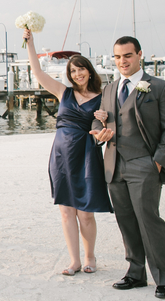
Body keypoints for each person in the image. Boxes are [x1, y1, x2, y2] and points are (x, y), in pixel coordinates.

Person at [90, 36, 165, 299]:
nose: (122, 62)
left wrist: (158, 162)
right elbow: (100, 121)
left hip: (145, 164)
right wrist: (99, 133)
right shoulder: (109, 89)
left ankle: (164, 279)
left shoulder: (160, 87)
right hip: (114, 166)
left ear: (139, 54)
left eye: (127, 56)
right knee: (126, 221)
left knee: (149, 221)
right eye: (117, 57)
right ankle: (136, 272)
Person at [24, 29, 112, 275]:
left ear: (89, 70)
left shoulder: (103, 97)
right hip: (61, 157)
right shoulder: (64, 93)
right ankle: (74, 261)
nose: (77, 74)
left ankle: (90, 257)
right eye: (73, 71)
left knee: (85, 214)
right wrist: (31, 43)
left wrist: (104, 120)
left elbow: (108, 126)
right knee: (66, 212)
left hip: (86, 156)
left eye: (81, 69)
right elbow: (38, 72)